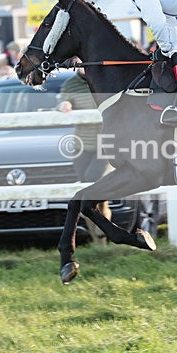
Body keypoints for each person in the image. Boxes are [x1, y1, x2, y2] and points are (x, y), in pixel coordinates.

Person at [57, 69, 111, 244]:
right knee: (86, 196)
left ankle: (103, 229)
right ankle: (100, 243)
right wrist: (65, 105)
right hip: (82, 145)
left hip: (106, 143)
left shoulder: (104, 79)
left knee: (93, 181)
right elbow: (63, 101)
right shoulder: (71, 84)